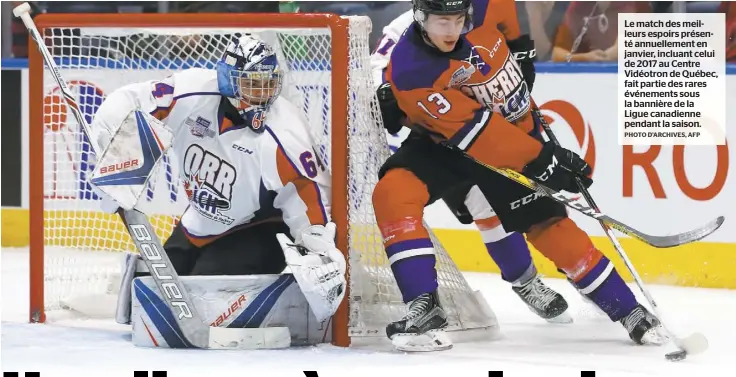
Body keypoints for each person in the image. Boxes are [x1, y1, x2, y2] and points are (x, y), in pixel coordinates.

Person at [373, 0, 667, 352]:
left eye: (457, 20)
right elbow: (479, 133)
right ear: (420, 17)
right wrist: (543, 159)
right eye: (441, 23)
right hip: (448, 141)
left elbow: (508, 19)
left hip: (513, 129)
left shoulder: (487, 5)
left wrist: (519, 47)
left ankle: (629, 311)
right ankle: (424, 306)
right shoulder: (412, 69)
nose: (451, 32)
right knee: (393, 193)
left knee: (550, 228)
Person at [88, 34, 345, 326]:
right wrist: (110, 155)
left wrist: (318, 250)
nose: (261, 94)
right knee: (148, 293)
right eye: (252, 83)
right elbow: (129, 101)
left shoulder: (284, 135)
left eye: (267, 83)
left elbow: (307, 194)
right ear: (227, 80)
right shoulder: (191, 93)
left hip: (261, 228)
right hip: (200, 219)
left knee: (201, 299)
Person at [370, 4, 572, 327]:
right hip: (435, 142)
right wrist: (384, 95)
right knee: (410, 198)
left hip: (479, 130)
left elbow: (505, 45)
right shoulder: (403, 30)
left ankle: (526, 281)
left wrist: (519, 57)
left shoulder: (471, 17)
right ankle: (425, 302)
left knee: (490, 205)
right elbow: (377, 77)